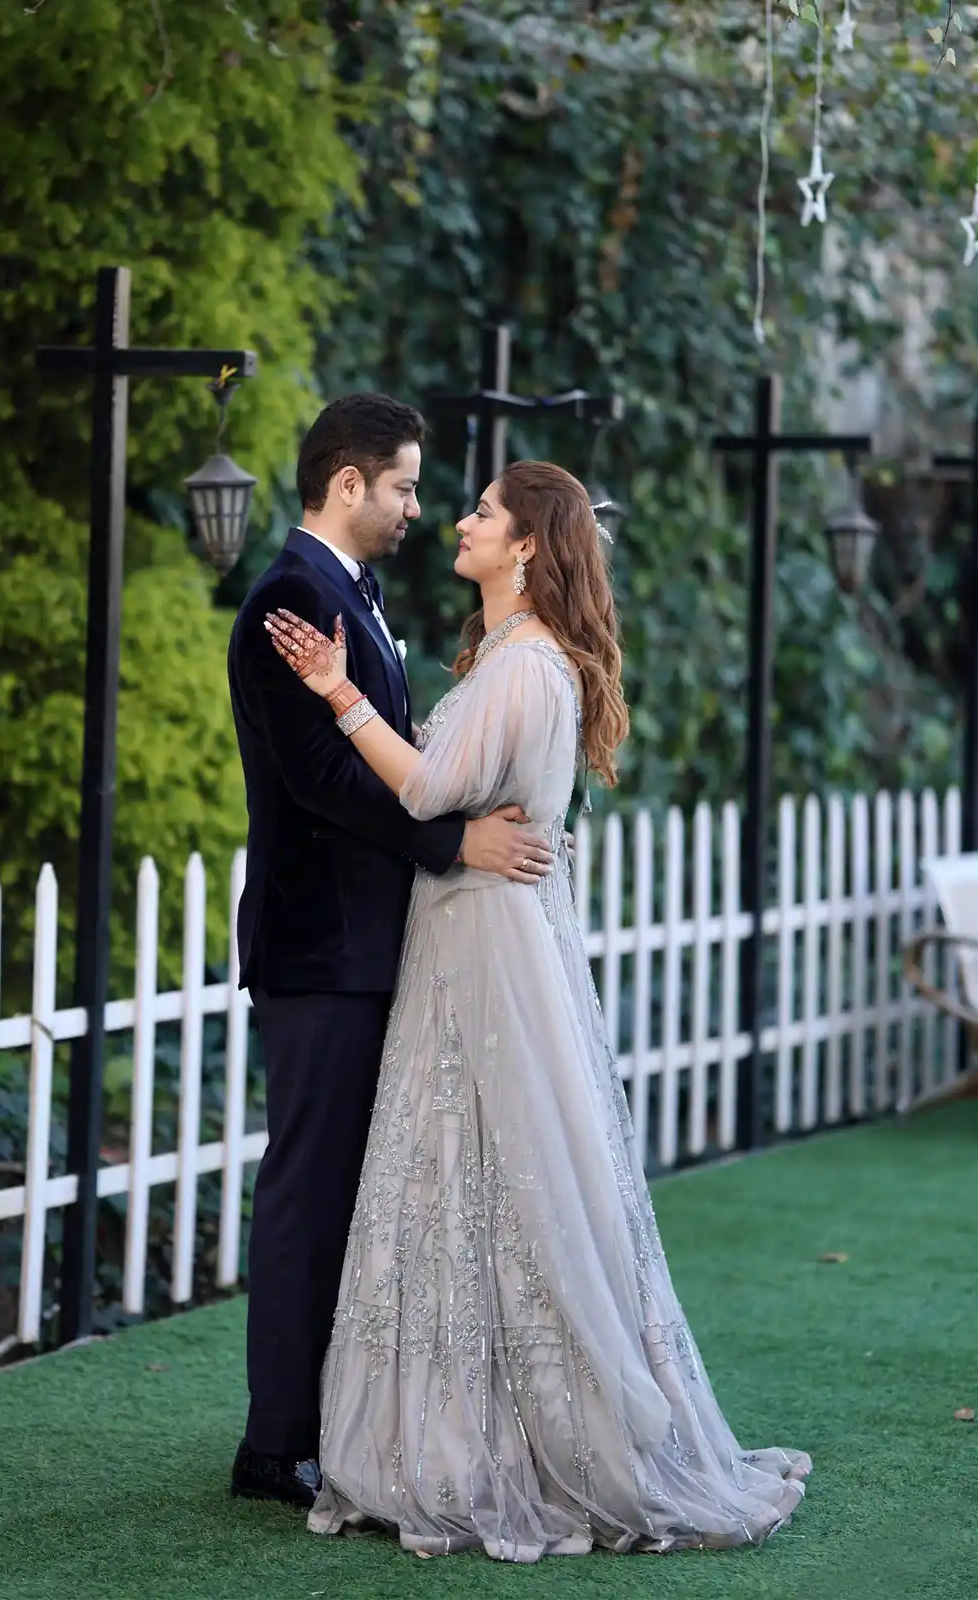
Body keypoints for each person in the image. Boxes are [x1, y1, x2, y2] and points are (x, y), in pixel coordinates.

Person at [262, 460, 812, 1562]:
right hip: (477, 931)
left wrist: (336, 689)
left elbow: (421, 790)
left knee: (490, 1166)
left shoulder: (521, 665)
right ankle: (474, 1421)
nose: (456, 522)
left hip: (483, 938)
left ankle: (502, 1439)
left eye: (479, 512)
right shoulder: (521, 659)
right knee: (466, 1169)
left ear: (524, 546)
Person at [227, 394, 556, 1509]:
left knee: (351, 1194)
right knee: (308, 1193)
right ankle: (274, 1443)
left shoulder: (351, 597)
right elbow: (316, 780)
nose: (419, 506)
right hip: (321, 944)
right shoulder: (289, 594)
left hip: (371, 942)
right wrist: (451, 835)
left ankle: (336, 1425)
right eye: (407, 485)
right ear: (347, 484)